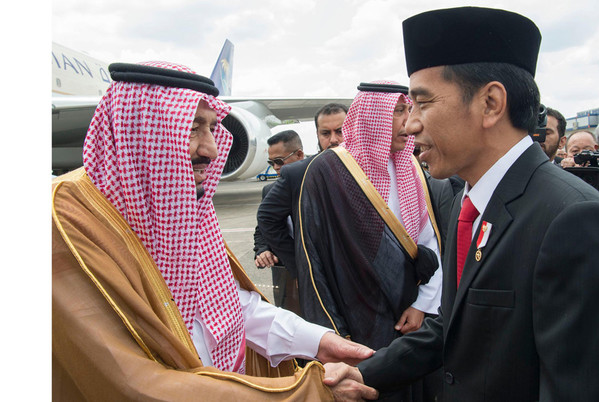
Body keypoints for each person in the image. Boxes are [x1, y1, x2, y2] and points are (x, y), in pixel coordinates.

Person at [324, 7, 599, 401]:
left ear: (491, 103)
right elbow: (454, 325)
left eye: (423, 103)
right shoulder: (467, 203)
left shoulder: (572, 218)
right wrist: (365, 373)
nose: (410, 124)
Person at [52, 61, 373, 401]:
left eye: (212, 128)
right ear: (139, 131)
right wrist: (309, 391)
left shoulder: (178, 205)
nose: (212, 149)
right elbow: (129, 382)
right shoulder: (68, 222)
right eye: (193, 128)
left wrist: (319, 341)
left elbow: (224, 304)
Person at [299, 81, 444, 401]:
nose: (409, 122)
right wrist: (332, 333)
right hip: (353, 319)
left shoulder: (411, 166)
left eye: (409, 110)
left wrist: (422, 305)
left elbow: (429, 244)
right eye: (397, 111)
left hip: (408, 318)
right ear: (372, 115)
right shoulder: (327, 171)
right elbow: (313, 258)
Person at [256, 103, 348, 274]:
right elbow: (266, 219)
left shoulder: (371, 169)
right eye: (325, 133)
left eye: (340, 131)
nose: (333, 140)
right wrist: (301, 265)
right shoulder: (300, 174)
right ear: (317, 135)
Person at [253, 130, 304, 315]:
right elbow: (262, 229)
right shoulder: (270, 191)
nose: (275, 167)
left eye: (280, 161)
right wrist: (262, 249)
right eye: (271, 163)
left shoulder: (316, 186)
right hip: (286, 275)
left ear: (299, 155)